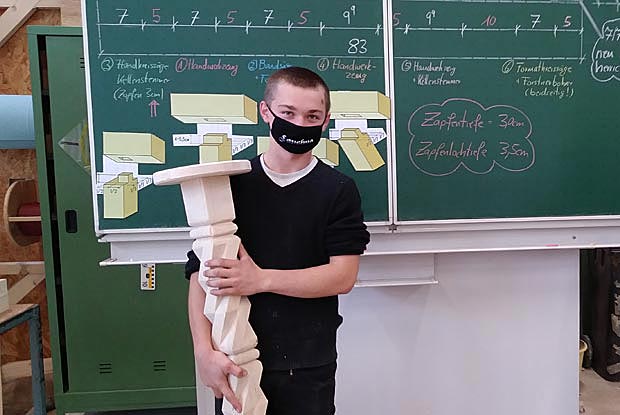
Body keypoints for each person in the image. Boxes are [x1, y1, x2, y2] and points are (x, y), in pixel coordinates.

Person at [184, 66, 370, 415]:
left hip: (306, 361)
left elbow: (342, 276)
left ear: (325, 121)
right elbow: (202, 274)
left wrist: (260, 279)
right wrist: (203, 351)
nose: (299, 123)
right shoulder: (231, 185)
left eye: (311, 116)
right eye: (288, 112)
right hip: (232, 355)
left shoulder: (338, 190)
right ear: (266, 112)